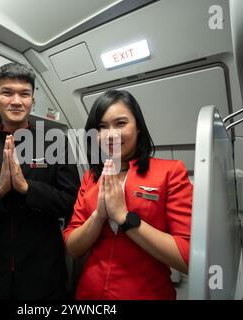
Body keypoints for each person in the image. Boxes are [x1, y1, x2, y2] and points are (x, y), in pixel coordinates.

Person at [0, 62, 80, 299]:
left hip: (43, 275)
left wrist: (27, 188)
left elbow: (73, 203)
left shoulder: (55, 144)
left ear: (32, 101)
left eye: (24, 94)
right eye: (7, 92)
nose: (16, 100)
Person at [63, 90, 193, 300]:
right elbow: (72, 247)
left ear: (138, 127)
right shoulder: (91, 177)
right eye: (102, 127)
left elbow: (188, 258)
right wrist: (98, 216)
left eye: (120, 123)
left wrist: (124, 217)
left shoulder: (170, 172)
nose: (110, 134)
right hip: (89, 294)